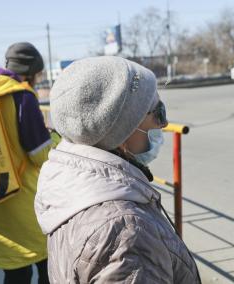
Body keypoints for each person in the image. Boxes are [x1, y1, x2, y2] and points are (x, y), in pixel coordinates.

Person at [35, 56, 201, 283]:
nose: (163, 125)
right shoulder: (127, 234)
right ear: (121, 132)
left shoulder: (68, 184)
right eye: (158, 112)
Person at [0, 42, 59, 284]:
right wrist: (56, 138)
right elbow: (39, 153)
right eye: (38, 74)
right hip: (25, 195)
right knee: (48, 263)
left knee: (16, 270)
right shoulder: (22, 96)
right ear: (30, 71)